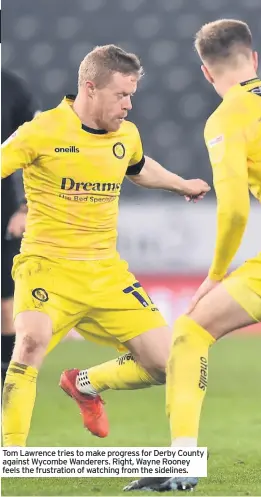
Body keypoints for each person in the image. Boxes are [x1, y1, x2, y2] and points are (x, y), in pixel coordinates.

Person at [124, 19, 261, 492]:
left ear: (206, 73)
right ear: (256, 60)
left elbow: (233, 212)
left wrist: (216, 274)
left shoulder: (227, 118)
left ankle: (183, 460)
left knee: (191, 329)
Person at [1, 45, 210, 447]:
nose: (129, 105)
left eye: (132, 95)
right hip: (47, 266)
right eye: (121, 95)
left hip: (106, 273)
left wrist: (181, 184)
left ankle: (85, 384)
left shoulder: (125, 135)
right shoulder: (42, 130)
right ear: (90, 88)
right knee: (28, 343)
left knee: (170, 365)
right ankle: (12, 456)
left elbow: (138, 165)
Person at [1, 70, 36, 388]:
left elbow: (35, 149)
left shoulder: (11, 87)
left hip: (3, 209)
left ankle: (7, 381)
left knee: (5, 302)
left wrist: (26, 207)